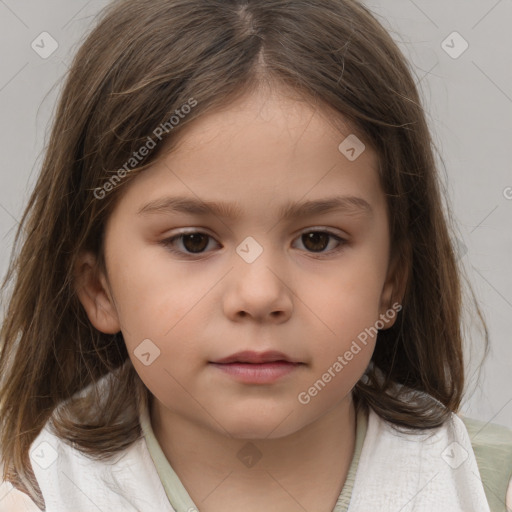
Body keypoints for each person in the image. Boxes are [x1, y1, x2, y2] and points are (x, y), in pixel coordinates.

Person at [1, 0, 511, 511]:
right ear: (99, 287)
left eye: (317, 240)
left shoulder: (485, 491)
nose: (260, 295)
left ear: (392, 278)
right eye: (193, 241)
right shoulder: (37, 497)